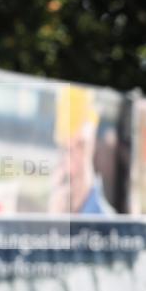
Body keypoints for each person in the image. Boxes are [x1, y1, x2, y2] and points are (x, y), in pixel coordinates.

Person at [48, 85, 115, 215]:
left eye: (80, 146)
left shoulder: (108, 225)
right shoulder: (54, 208)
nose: (70, 166)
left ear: (94, 147)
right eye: (65, 149)